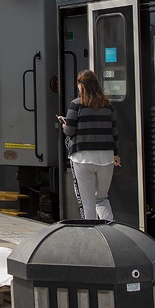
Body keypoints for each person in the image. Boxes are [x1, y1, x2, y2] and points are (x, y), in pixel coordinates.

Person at [59, 69, 120, 221]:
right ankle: (111, 231)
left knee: (88, 203)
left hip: (82, 158)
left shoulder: (76, 105)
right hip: (106, 159)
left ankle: (90, 234)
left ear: (82, 86)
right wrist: (115, 154)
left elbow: (70, 131)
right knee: (102, 198)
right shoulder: (108, 106)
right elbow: (114, 133)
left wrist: (64, 126)